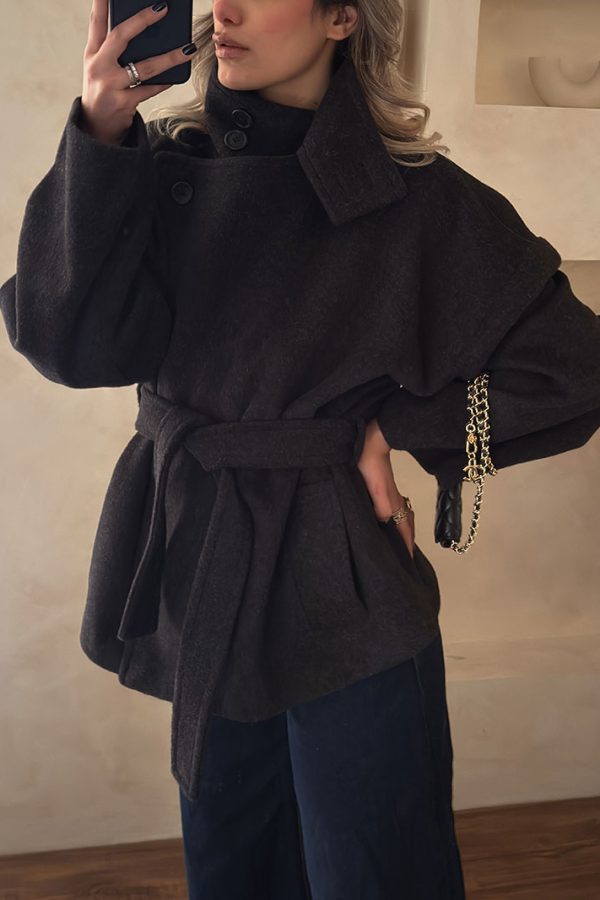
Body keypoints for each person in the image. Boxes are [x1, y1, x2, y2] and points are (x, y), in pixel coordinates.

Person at [2, 1, 599, 898]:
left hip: (344, 586)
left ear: (343, 17)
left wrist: (397, 428)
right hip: (202, 567)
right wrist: (100, 131)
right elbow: (65, 345)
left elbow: (573, 371)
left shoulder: (416, 197)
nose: (225, 9)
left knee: (375, 873)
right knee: (234, 868)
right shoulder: (152, 169)